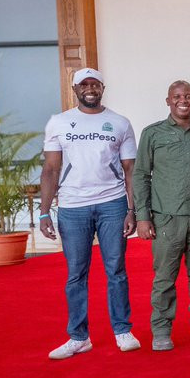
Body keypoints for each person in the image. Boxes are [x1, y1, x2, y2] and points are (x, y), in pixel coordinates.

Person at [40, 67, 140, 359]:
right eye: (84, 84)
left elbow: (131, 170)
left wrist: (132, 209)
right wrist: (44, 213)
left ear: (102, 88)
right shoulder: (59, 122)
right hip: (72, 207)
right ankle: (78, 337)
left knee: (116, 270)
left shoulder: (120, 123)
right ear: (75, 89)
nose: (90, 89)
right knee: (76, 273)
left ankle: (122, 331)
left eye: (95, 84)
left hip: (112, 203)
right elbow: (51, 169)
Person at [134, 80, 190, 350]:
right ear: (168, 101)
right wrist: (142, 216)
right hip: (167, 217)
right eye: (177, 96)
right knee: (165, 277)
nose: (182, 100)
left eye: (188, 96)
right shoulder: (153, 133)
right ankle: (161, 330)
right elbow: (141, 175)